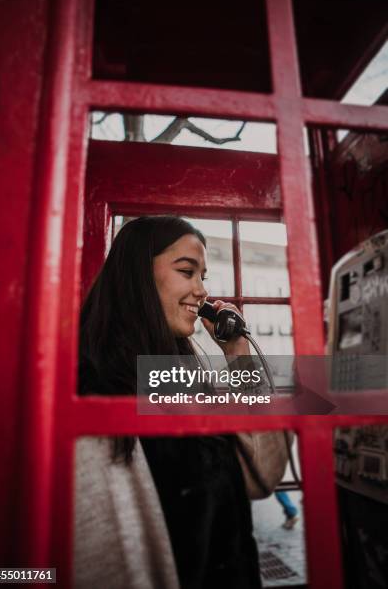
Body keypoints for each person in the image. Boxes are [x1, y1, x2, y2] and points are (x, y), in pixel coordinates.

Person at [77, 215, 262, 589]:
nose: (201, 291)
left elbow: (261, 475)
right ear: (138, 276)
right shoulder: (93, 380)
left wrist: (238, 353)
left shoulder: (180, 372)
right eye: (186, 271)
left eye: (202, 277)